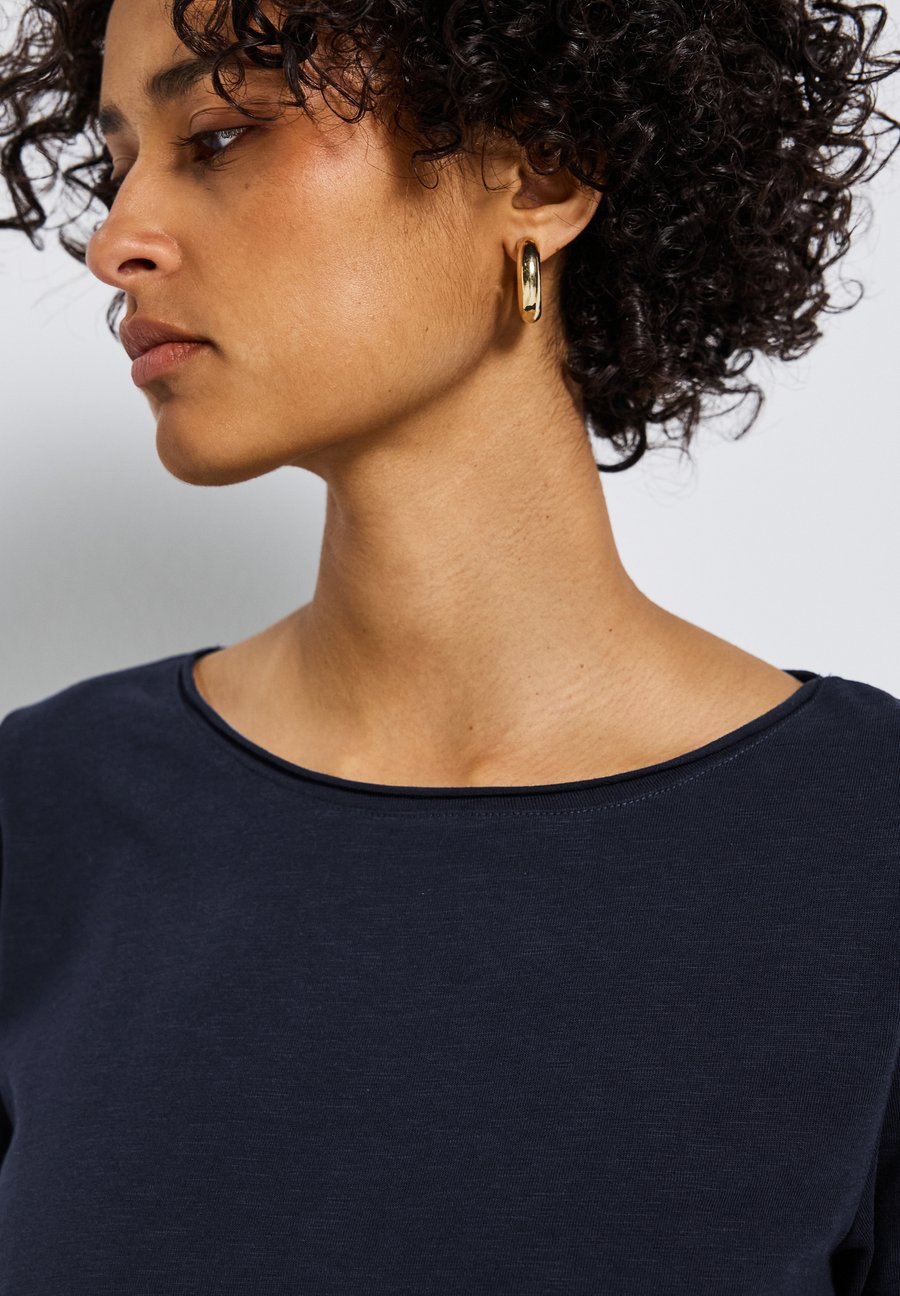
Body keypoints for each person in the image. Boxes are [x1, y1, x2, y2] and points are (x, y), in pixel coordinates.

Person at [1, 0, 899, 1291]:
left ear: (538, 172)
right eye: (117, 163)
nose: (115, 242)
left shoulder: (868, 843)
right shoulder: (46, 813)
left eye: (217, 135)